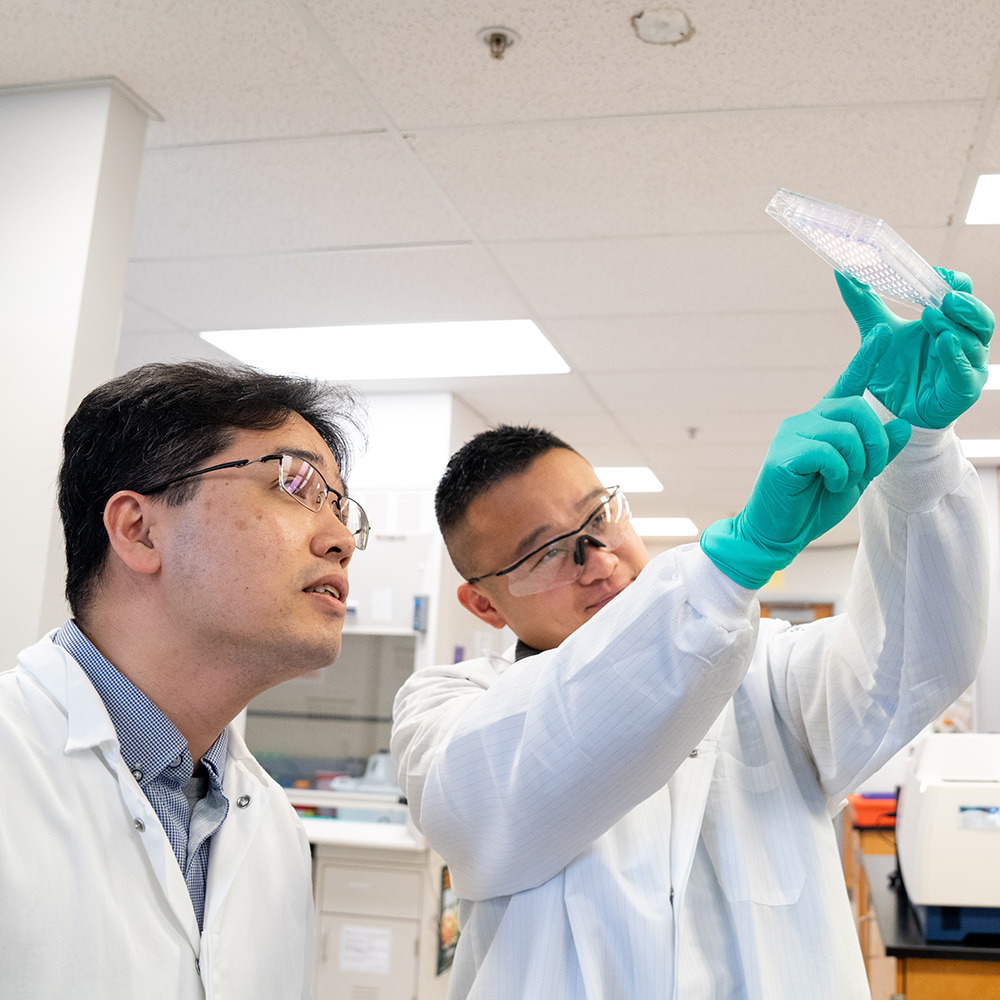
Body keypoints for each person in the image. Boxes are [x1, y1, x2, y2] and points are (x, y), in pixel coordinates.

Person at [391, 269, 995, 999]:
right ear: (482, 605)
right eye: (547, 553)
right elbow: (519, 776)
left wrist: (919, 452)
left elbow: (920, 659)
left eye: (600, 516)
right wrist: (732, 562)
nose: (599, 560)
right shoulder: (445, 711)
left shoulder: (765, 674)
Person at [0, 361, 370, 999]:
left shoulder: (274, 829)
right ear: (140, 531)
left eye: (342, 509)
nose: (342, 540)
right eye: (295, 485)